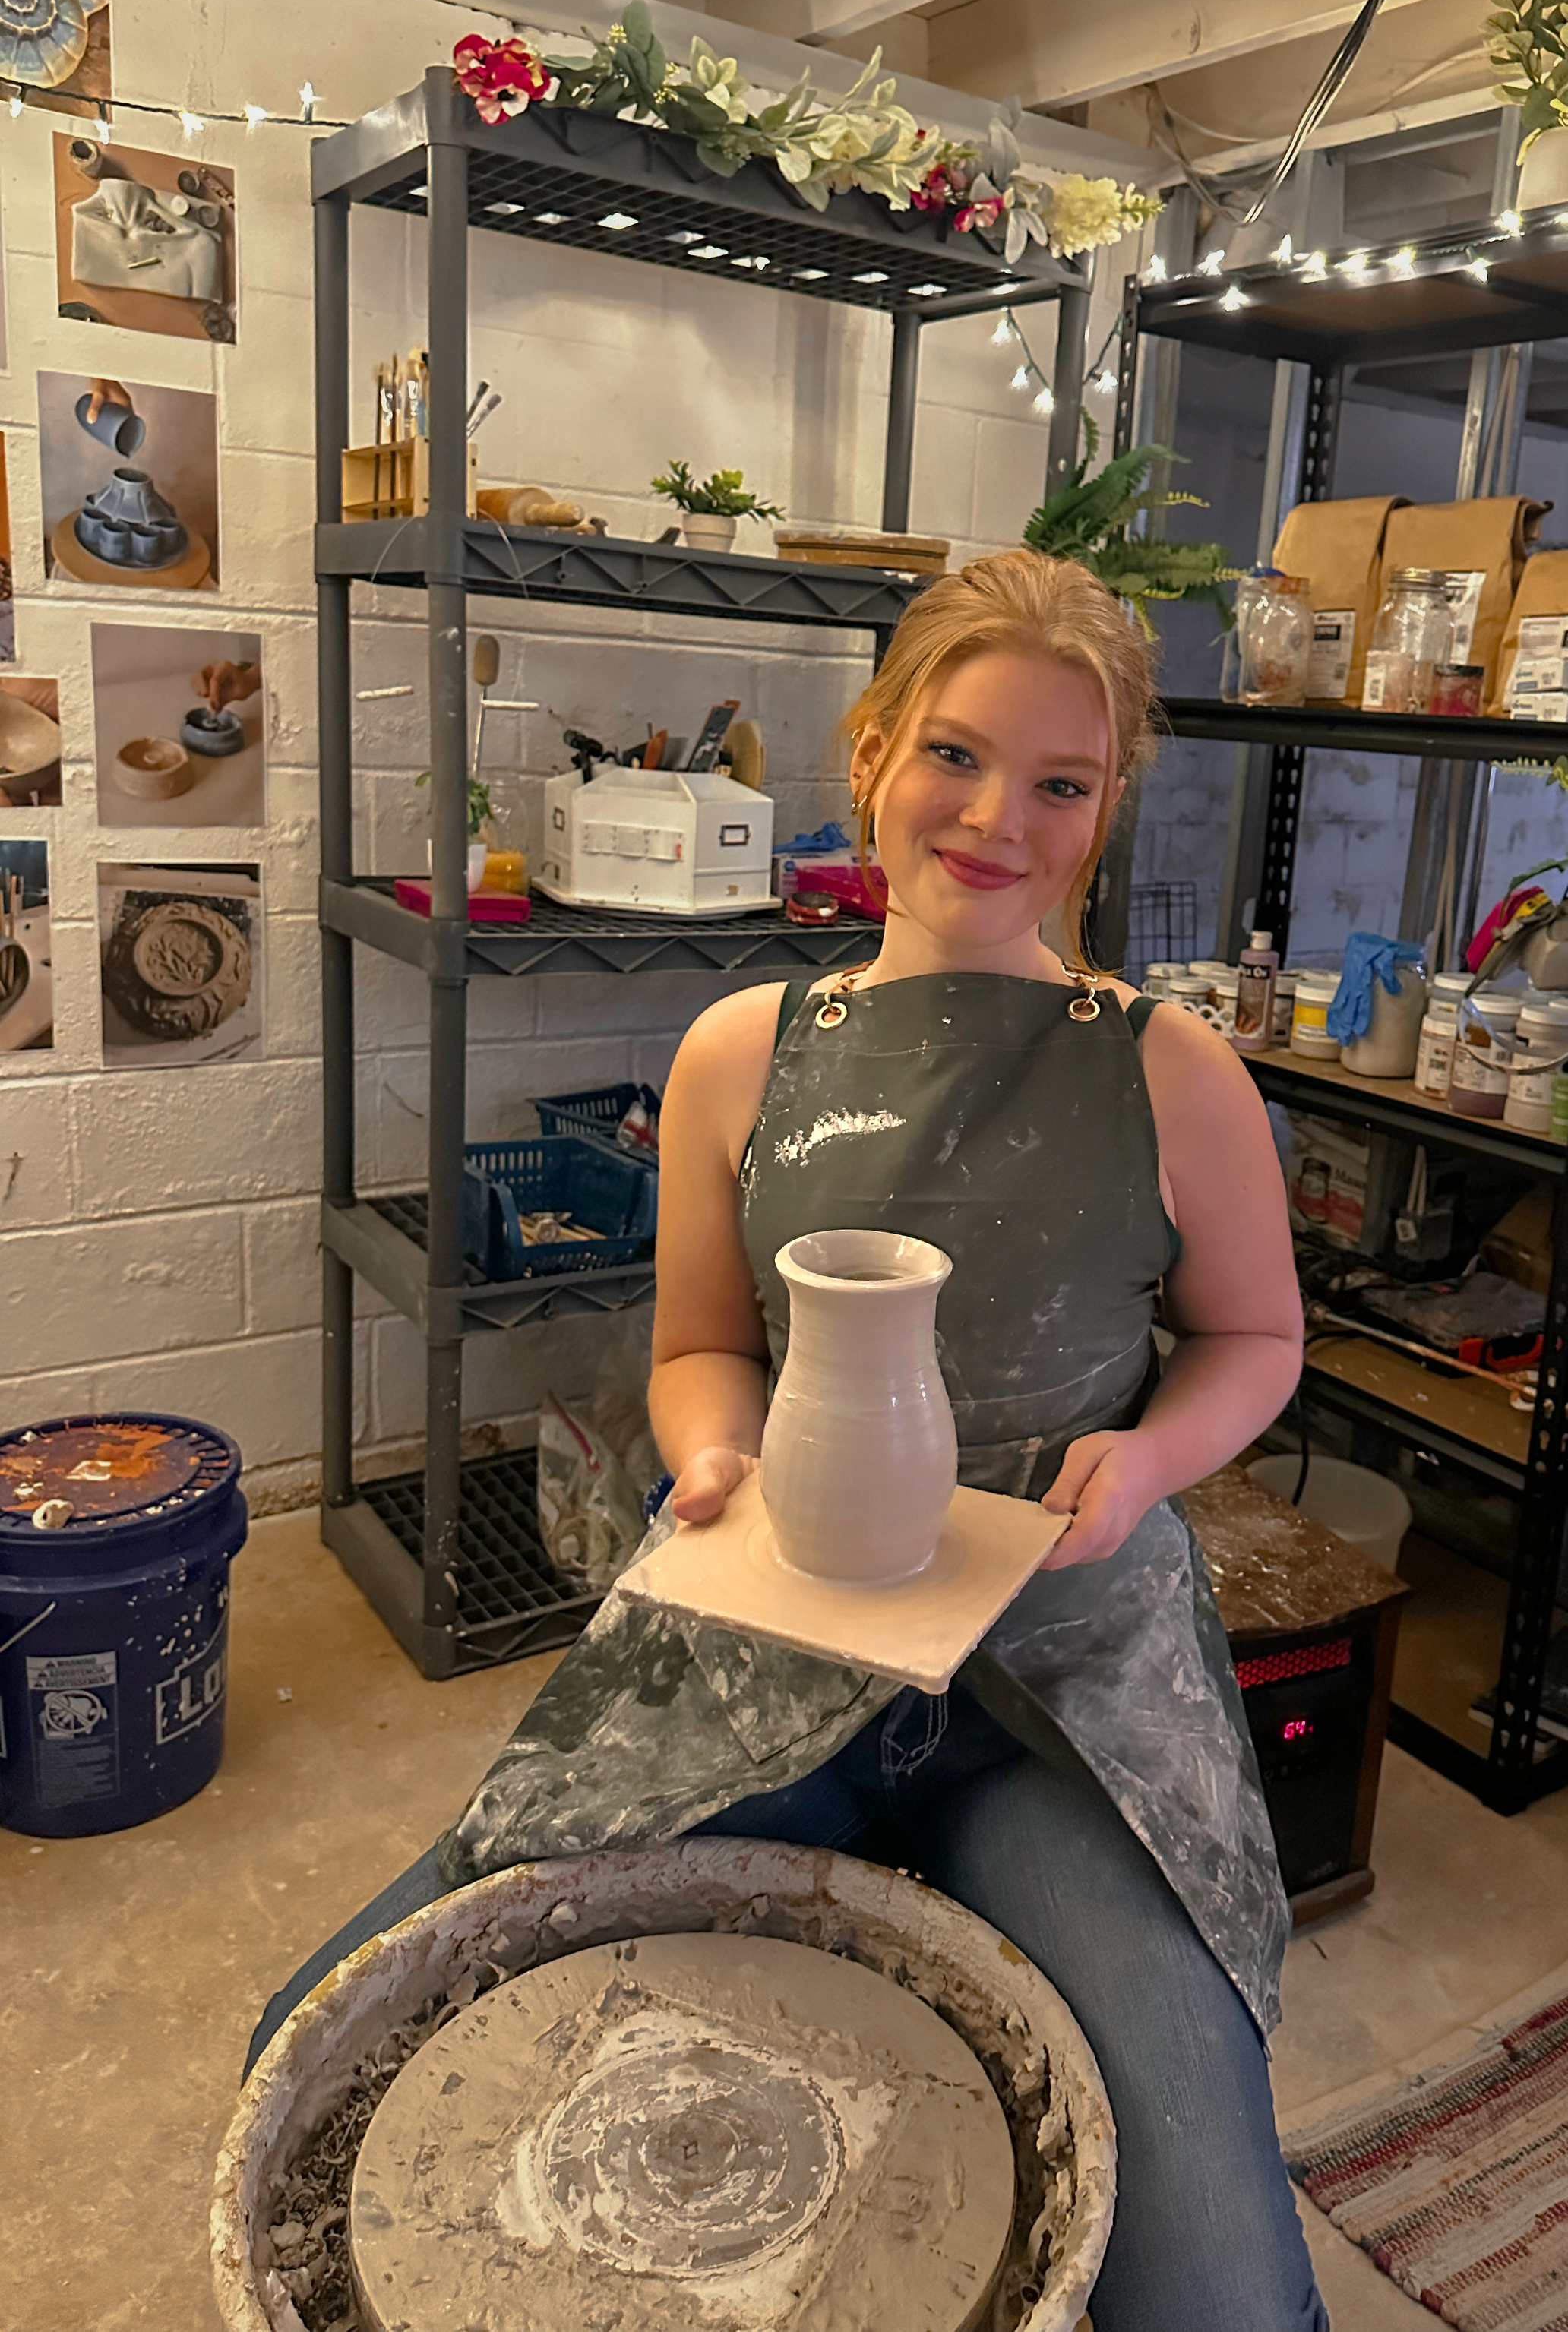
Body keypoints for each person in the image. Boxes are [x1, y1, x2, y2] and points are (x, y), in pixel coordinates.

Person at [251, 549, 1322, 2332]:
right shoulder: (742, 1050)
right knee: (335, 2025)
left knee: (1212, 2286)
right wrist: (710, 1461)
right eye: (956, 758)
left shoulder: (1170, 1068)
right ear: (874, 754)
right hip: (766, 1639)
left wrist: (1138, 1463)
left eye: (1060, 782)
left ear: (1105, 807)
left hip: (1059, 1681)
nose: (996, 818)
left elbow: (1256, 1336)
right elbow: (696, 1346)